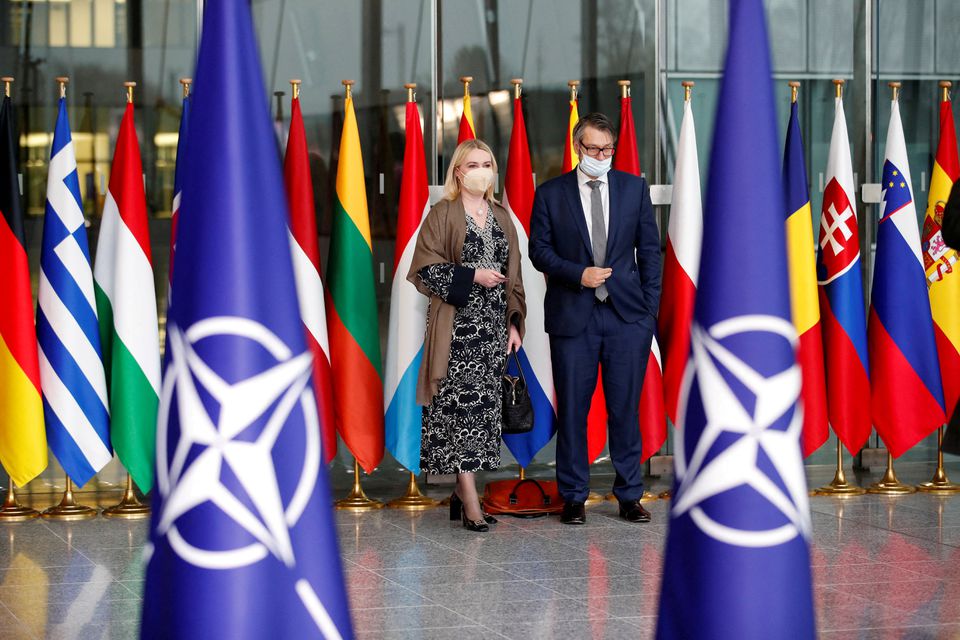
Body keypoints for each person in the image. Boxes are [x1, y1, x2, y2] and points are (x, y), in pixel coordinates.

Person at [529, 112, 661, 525]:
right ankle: (573, 496)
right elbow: (539, 251)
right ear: (577, 147)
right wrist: (577, 274)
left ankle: (629, 495)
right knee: (573, 410)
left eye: (608, 149)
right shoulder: (551, 194)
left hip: (627, 317)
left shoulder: (633, 189)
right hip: (573, 317)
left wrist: (649, 309)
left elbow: (650, 251)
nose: (602, 156)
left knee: (624, 409)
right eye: (594, 149)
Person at [407, 138, 526, 532]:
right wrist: (472, 276)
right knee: (458, 414)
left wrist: (513, 323)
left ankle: (463, 492)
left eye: (487, 164)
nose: (481, 171)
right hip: (456, 330)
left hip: (492, 332)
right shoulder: (442, 213)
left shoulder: (501, 215)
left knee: (483, 414)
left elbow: (515, 277)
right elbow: (424, 269)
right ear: (458, 172)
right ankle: (471, 499)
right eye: (473, 165)